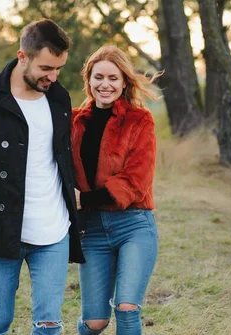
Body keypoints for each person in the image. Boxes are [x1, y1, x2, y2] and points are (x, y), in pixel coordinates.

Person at [0, 19, 84, 335]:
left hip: (53, 230)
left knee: (49, 325)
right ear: (22, 56)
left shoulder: (59, 98)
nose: (53, 77)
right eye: (47, 68)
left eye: (59, 69)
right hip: (0, 229)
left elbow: (62, 158)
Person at [71, 45, 160, 335]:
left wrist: (83, 199)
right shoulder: (72, 121)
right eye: (98, 77)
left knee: (126, 307)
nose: (105, 84)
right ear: (89, 80)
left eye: (112, 78)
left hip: (133, 225)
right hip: (92, 231)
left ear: (123, 82)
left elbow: (136, 182)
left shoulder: (139, 120)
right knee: (94, 322)